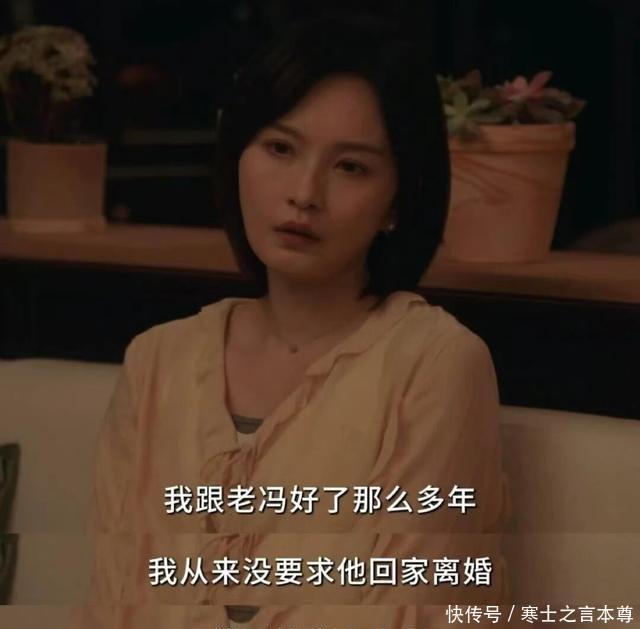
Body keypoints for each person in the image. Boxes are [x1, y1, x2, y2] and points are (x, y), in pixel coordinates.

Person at [70, 10, 511, 629]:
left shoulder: (434, 363)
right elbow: (113, 598)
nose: (305, 193)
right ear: (237, 156)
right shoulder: (157, 360)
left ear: (397, 200)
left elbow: (414, 608)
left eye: (351, 167)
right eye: (280, 148)